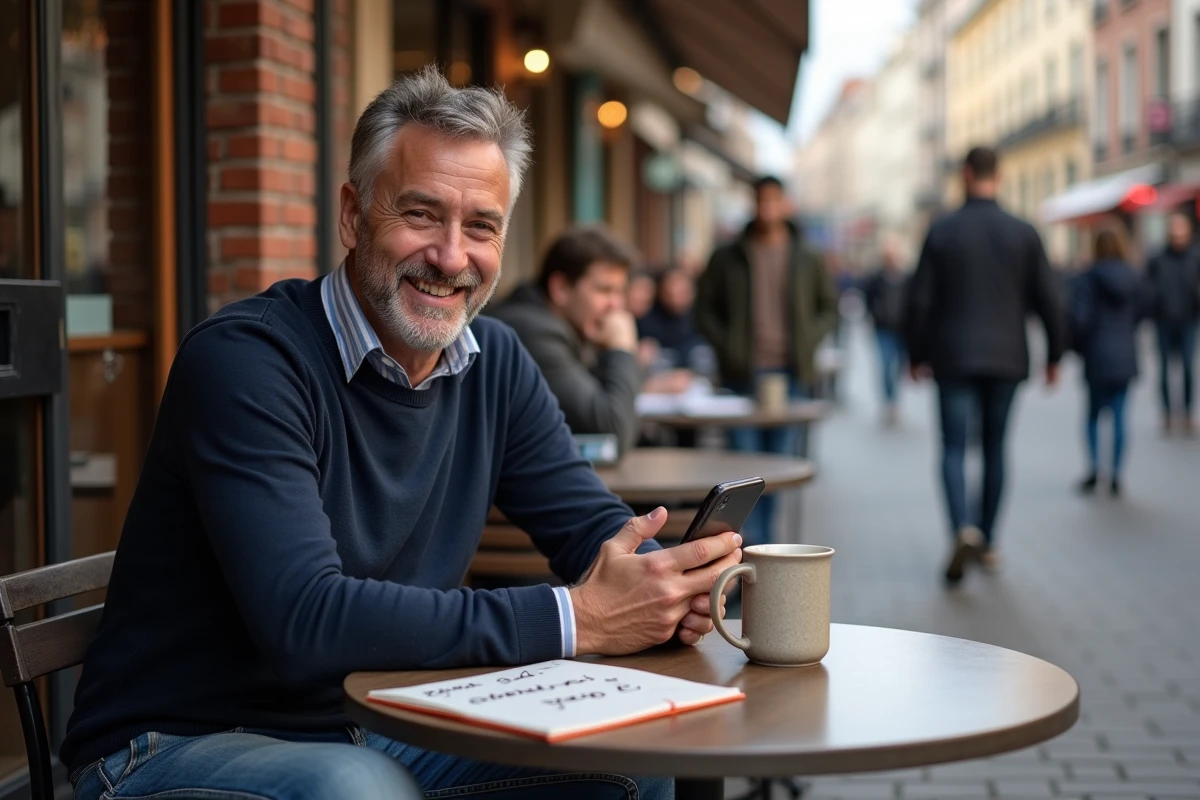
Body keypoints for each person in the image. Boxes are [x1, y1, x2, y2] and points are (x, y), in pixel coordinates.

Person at [63, 67, 742, 800]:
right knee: (361, 790)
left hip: (377, 720)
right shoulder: (246, 363)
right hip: (173, 740)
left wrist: (668, 581)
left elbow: (588, 525)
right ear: (354, 217)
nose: (452, 257)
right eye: (421, 215)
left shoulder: (496, 362)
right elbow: (306, 621)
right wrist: (574, 617)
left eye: (481, 226)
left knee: (637, 754)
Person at [905, 146, 1065, 586]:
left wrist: (915, 354)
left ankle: (962, 528)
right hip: (1008, 357)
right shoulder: (1023, 231)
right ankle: (989, 541)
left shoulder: (942, 230)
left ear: (965, 174)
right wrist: (1055, 355)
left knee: (954, 447)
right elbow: (1049, 299)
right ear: (1001, 175)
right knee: (995, 447)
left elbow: (919, 300)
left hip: (953, 355)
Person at [695, 175, 840, 546]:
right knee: (743, 471)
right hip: (742, 374)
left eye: (775, 201)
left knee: (777, 469)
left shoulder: (806, 255)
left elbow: (829, 307)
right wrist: (727, 346)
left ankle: (765, 551)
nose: (768, 209)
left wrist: (808, 341)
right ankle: (745, 551)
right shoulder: (728, 255)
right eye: (761, 201)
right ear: (753, 204)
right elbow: (704, 308)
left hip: (790, 375)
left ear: (785, 204)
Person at [489, 225, 645, 454]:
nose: (616, 305)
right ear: (560, 288)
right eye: (604, 290)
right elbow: (611, 434)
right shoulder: (534, 333)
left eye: (619, 292)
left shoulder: (565, 328)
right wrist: (621, 351)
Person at [1069, 224, 1146, 498]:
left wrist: (1076, 346)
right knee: (1120, 415)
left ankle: (1094, 469)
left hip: (1097, 353)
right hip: (1125, 352)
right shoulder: (1134, 277)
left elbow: (1080, 318)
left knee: (1093, 415)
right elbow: (1141, 312)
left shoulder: (1088, 278)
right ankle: (1115, 475)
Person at [1145, 211, 1200, 435]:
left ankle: (1187, 413)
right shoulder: (1158, 258)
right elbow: (1148, 286)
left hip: (1188, 319)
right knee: (1165, 369)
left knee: (1187, 367)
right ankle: (1167, 414)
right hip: (1164, 320)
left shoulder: (1195, 256)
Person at [862, 243, 909, 425]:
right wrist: (873, 315)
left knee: (897, 367)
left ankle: (894, 399)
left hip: (902, 330)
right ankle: (889, 402)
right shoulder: (876, 278)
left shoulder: (907, 278)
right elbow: (868, 299)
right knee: (885, 364)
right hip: (883, 329)